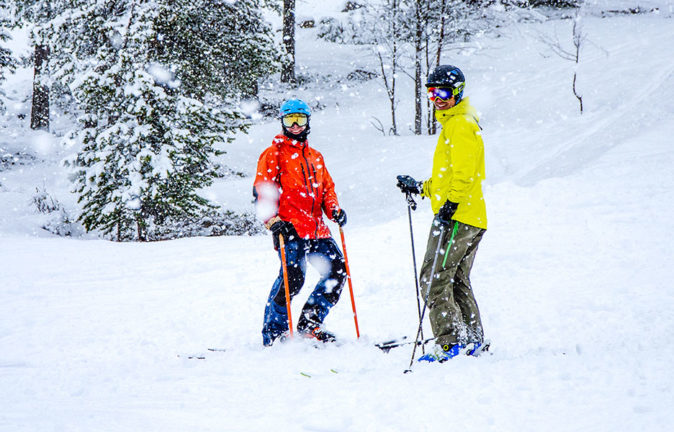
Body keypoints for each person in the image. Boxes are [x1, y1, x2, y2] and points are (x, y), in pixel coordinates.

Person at [397, 65, 488, 362]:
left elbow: (465, 173)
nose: (437, 97)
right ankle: (472, 340)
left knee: (434, 277)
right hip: (471, 215)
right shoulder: (457, 123)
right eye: (432, 92)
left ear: (457, 92)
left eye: (444, 92)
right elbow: (447, 176)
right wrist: (421, 188)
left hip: (458, 216)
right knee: (457, 277)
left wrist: (451, 204)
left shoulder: (460, 124)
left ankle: (450, 343)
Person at [253, 98, 348, 347]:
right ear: (283, 122)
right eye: (290, 120)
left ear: (308, 122)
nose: (295, 125)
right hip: (290, 227)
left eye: (300, 120)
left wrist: (334, 210)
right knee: (292, 278)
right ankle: (275, 333)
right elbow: (263, 189)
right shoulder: (273, 154)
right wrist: (272, 220)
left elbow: (327, 188)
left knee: (337, 270)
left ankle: (310, 323)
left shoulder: (315, 156)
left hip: (317, 228)